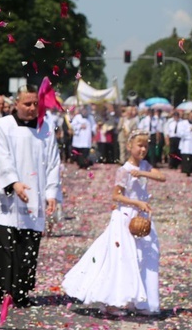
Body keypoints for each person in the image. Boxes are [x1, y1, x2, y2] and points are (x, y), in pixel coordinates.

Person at [62, 130, 166, 315]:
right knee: (122, 258)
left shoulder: (144, 166)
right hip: (125, 216)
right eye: (139, 145)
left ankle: (140, 300)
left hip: (141, 216)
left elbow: (161, 177)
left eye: (145, 146)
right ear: (129, 147)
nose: (142, 149)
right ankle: (112, 302)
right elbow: (116, 195)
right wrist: (137, 202)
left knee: (146, 255)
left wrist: (142, 172)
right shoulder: (123, 170)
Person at [0, 84, 61, 308]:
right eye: (27, 103)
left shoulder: (46, 127)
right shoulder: (2, 125)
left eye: (36, 103)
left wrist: (51, 192)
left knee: (27, 245)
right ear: (16, 103)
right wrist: (14, 182)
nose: (33, 108)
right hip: (6, 196)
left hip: (33, 194)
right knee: (1, 244)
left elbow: (54, 162)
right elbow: (1, 156)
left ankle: (21, 291)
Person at [179, 110, 192, 176]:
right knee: (186, 157)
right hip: (186, 143)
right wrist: (189, 130)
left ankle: (191, 170)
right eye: (191, 116)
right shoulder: (183, 123)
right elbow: (180, 133)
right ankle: (186, 170)